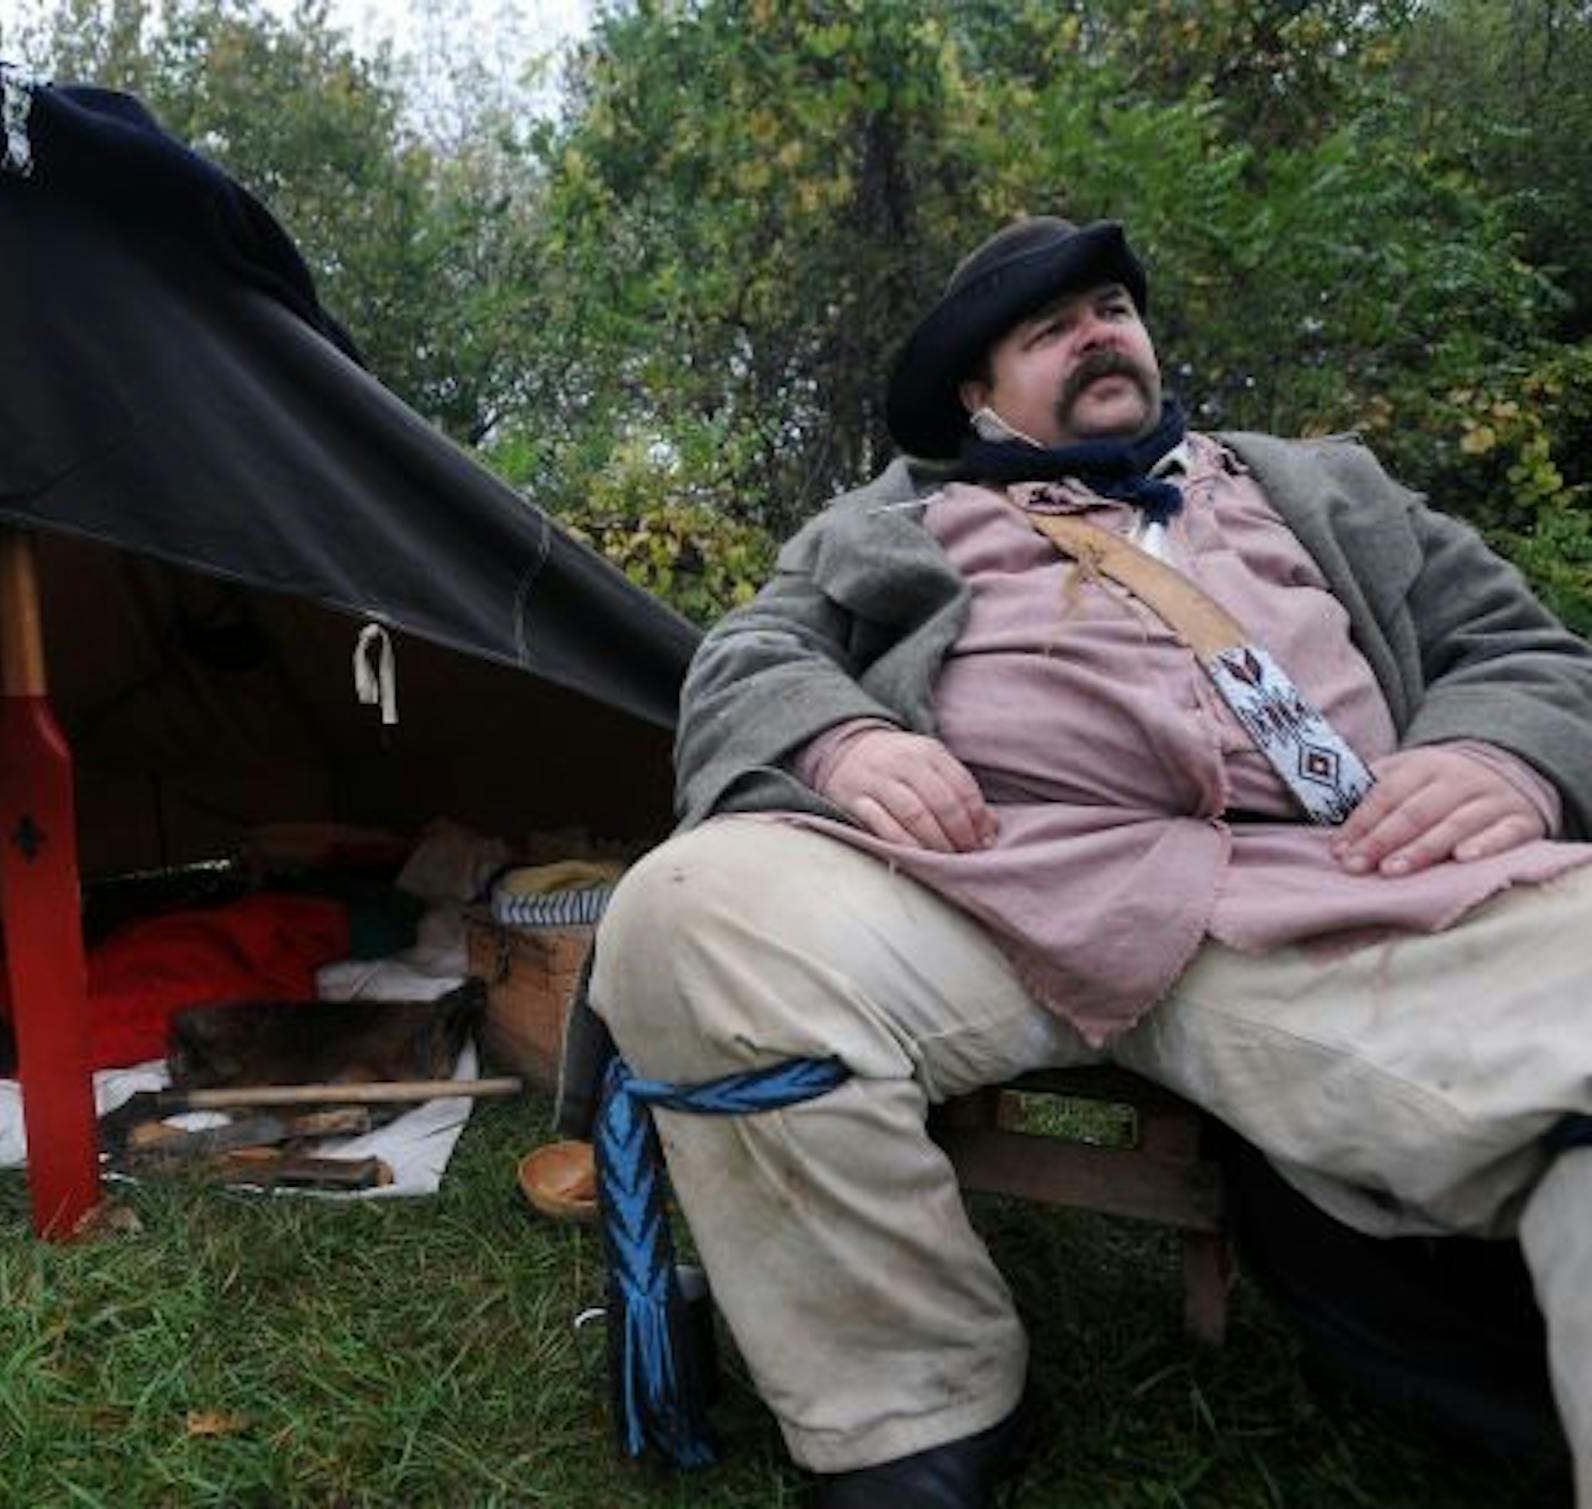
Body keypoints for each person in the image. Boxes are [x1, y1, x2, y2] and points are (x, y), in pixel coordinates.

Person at [588, 216, 1592, 1508]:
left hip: (1340, 888)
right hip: (993, 890)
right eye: (1048, 328)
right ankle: (916, 1406)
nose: (1096, 332)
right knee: (686, 914)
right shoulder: (891, 523)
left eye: (1111, 307)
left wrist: (1503, 756)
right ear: (977, 394)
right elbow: (747, 660)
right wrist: (836, 739)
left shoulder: (1324, 486)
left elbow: (1533, 652)